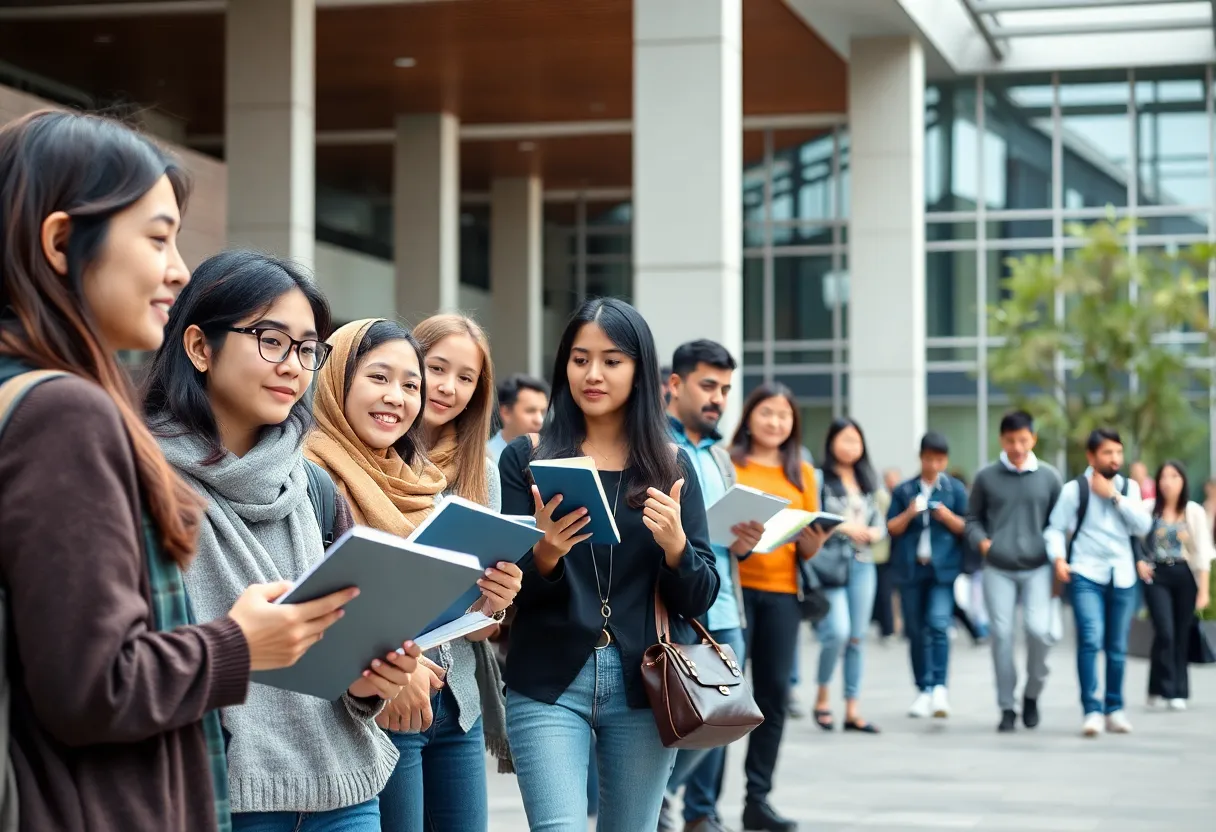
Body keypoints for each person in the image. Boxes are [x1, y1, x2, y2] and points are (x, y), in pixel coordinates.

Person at [0, 109, 357, 832]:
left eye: (307, 349)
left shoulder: (24, 397)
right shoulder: (64, 412)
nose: (178, 271)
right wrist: (240, 643)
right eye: (158, 237)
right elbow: (94, 686)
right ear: (62, 242)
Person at [143, 250, 420, 830]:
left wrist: (368, 680)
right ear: (199, 347)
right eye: (271, 340)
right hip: (223, 795)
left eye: (307, 349)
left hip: (344, 789)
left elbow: (342, 652)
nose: (293, 365)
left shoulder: (312, 486)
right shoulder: (139, 479)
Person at [497, 298, 718, 831]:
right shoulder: (527, 458)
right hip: (547, 680)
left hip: (645, 685)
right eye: (580, 359)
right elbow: (508, 589)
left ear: (640, 370)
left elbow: (701, 594)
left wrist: (677, 548)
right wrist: (546, 552)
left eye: (612, 361)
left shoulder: (670, 465)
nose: (592, 374)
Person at [366, 313, 513, 832]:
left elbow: (481, 626)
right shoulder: (368, 460)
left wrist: (497, 602)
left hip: (460, 701)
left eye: (466, 377)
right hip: (390, 693)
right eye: (437, 368)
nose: (449, 387)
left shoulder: (482, 472)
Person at [659, 340, 764, 832]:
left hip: (724, 607)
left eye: (724, 389)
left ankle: (692, 809)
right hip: (678, 607)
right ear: (674, 385)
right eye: (707, 386)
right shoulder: (655, 446)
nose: (717, 398)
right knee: (680, 714)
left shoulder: (721, 458)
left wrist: (746, 542)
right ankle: (656, 800)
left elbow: (726, 544)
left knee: (727, 716)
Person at [730, 382, 828, 832]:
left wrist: (813, 544)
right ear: (749, 417)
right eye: (767, 412)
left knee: (772, 698)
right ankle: (697, 803)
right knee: (720, 699)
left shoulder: (803, 473)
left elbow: (807, 547)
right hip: (733, 593)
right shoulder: (730, 463)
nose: (775, 422)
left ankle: (758, 800)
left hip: (783, 595)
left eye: (784, 415)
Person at [1044, 428, 1152, 738]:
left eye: (1118, 452)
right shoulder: (1074, 490)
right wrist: (1058, 559)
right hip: (1085, 573)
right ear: (1091, 457)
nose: (1115, 459)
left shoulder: (1129, 488)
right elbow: (1054, 529)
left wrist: (1115, 497)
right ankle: (1092, 710)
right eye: (1108, 453)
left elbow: (1143, 526)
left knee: (1117, 647)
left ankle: (1114, 708)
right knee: (1091, 640)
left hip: (1123, 575)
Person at [965, 410, 1062, 733]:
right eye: (1010, 441)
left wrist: (1057, 558)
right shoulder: (986, 476)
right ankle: (1007, 706)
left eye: (1023, 440)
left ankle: (1032, 693)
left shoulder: (1049, 477)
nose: (1017, 447)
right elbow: (972, 519)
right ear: (1001, 440)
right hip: (998, 568)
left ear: (1033, 439)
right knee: (1002, 637)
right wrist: (983, 543)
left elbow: (1059, 522)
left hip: (1037, 568)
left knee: (1039, 631)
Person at [811, 418, 887, 736]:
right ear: (831, 443)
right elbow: (813, 516)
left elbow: (880, 521)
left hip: (863, 563)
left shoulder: (868, 479)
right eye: (844, 440)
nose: (851, 447)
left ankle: (853, 709)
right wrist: (845, 527)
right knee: (838, 632)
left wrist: (874, 532)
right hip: (832, 563)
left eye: (856, 441)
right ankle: (822, 696)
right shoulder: (819, 478)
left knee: (857, 637)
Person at [886, 433, 968, 719]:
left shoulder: (955, 489)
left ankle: (940, 687)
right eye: (929, 458)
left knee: (938, 623)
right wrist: (910, 513)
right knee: (916, 630)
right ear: (920, 457)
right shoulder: (904, 490)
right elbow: (891, 528)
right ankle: (924, 689)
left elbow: (967, 527)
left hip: (942, 570)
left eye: (939, 460)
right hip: (911, 569)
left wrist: (947, 517)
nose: (934, 465)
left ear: (945, 460)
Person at [1140, 461, 1213, 710]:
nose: (1168, 482)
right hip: (1157, 574)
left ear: (1183, 480)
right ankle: (1165, 687)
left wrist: (1204, 591)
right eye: (1163, 477)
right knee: (1165, 631)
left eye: (1174, 476)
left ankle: (1175, 690)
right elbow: (1135, 539)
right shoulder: (1149, 508)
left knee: (1181, 634)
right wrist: (1140, 561)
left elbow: (1203, 551)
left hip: (1184, 574)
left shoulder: (1193, 511)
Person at [488, 372, 550, 464]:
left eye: (543, 412)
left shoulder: (550, 457)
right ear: (506, 413)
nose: (539, 420)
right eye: (530, 411)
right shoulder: (485, 459)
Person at [872, 468, 901, 641]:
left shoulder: (894, 496)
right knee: (884, 592)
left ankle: (889, 627)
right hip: (880, 552)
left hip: (888, 553)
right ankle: (887, 628)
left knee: (886, 592)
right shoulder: (882, 497)